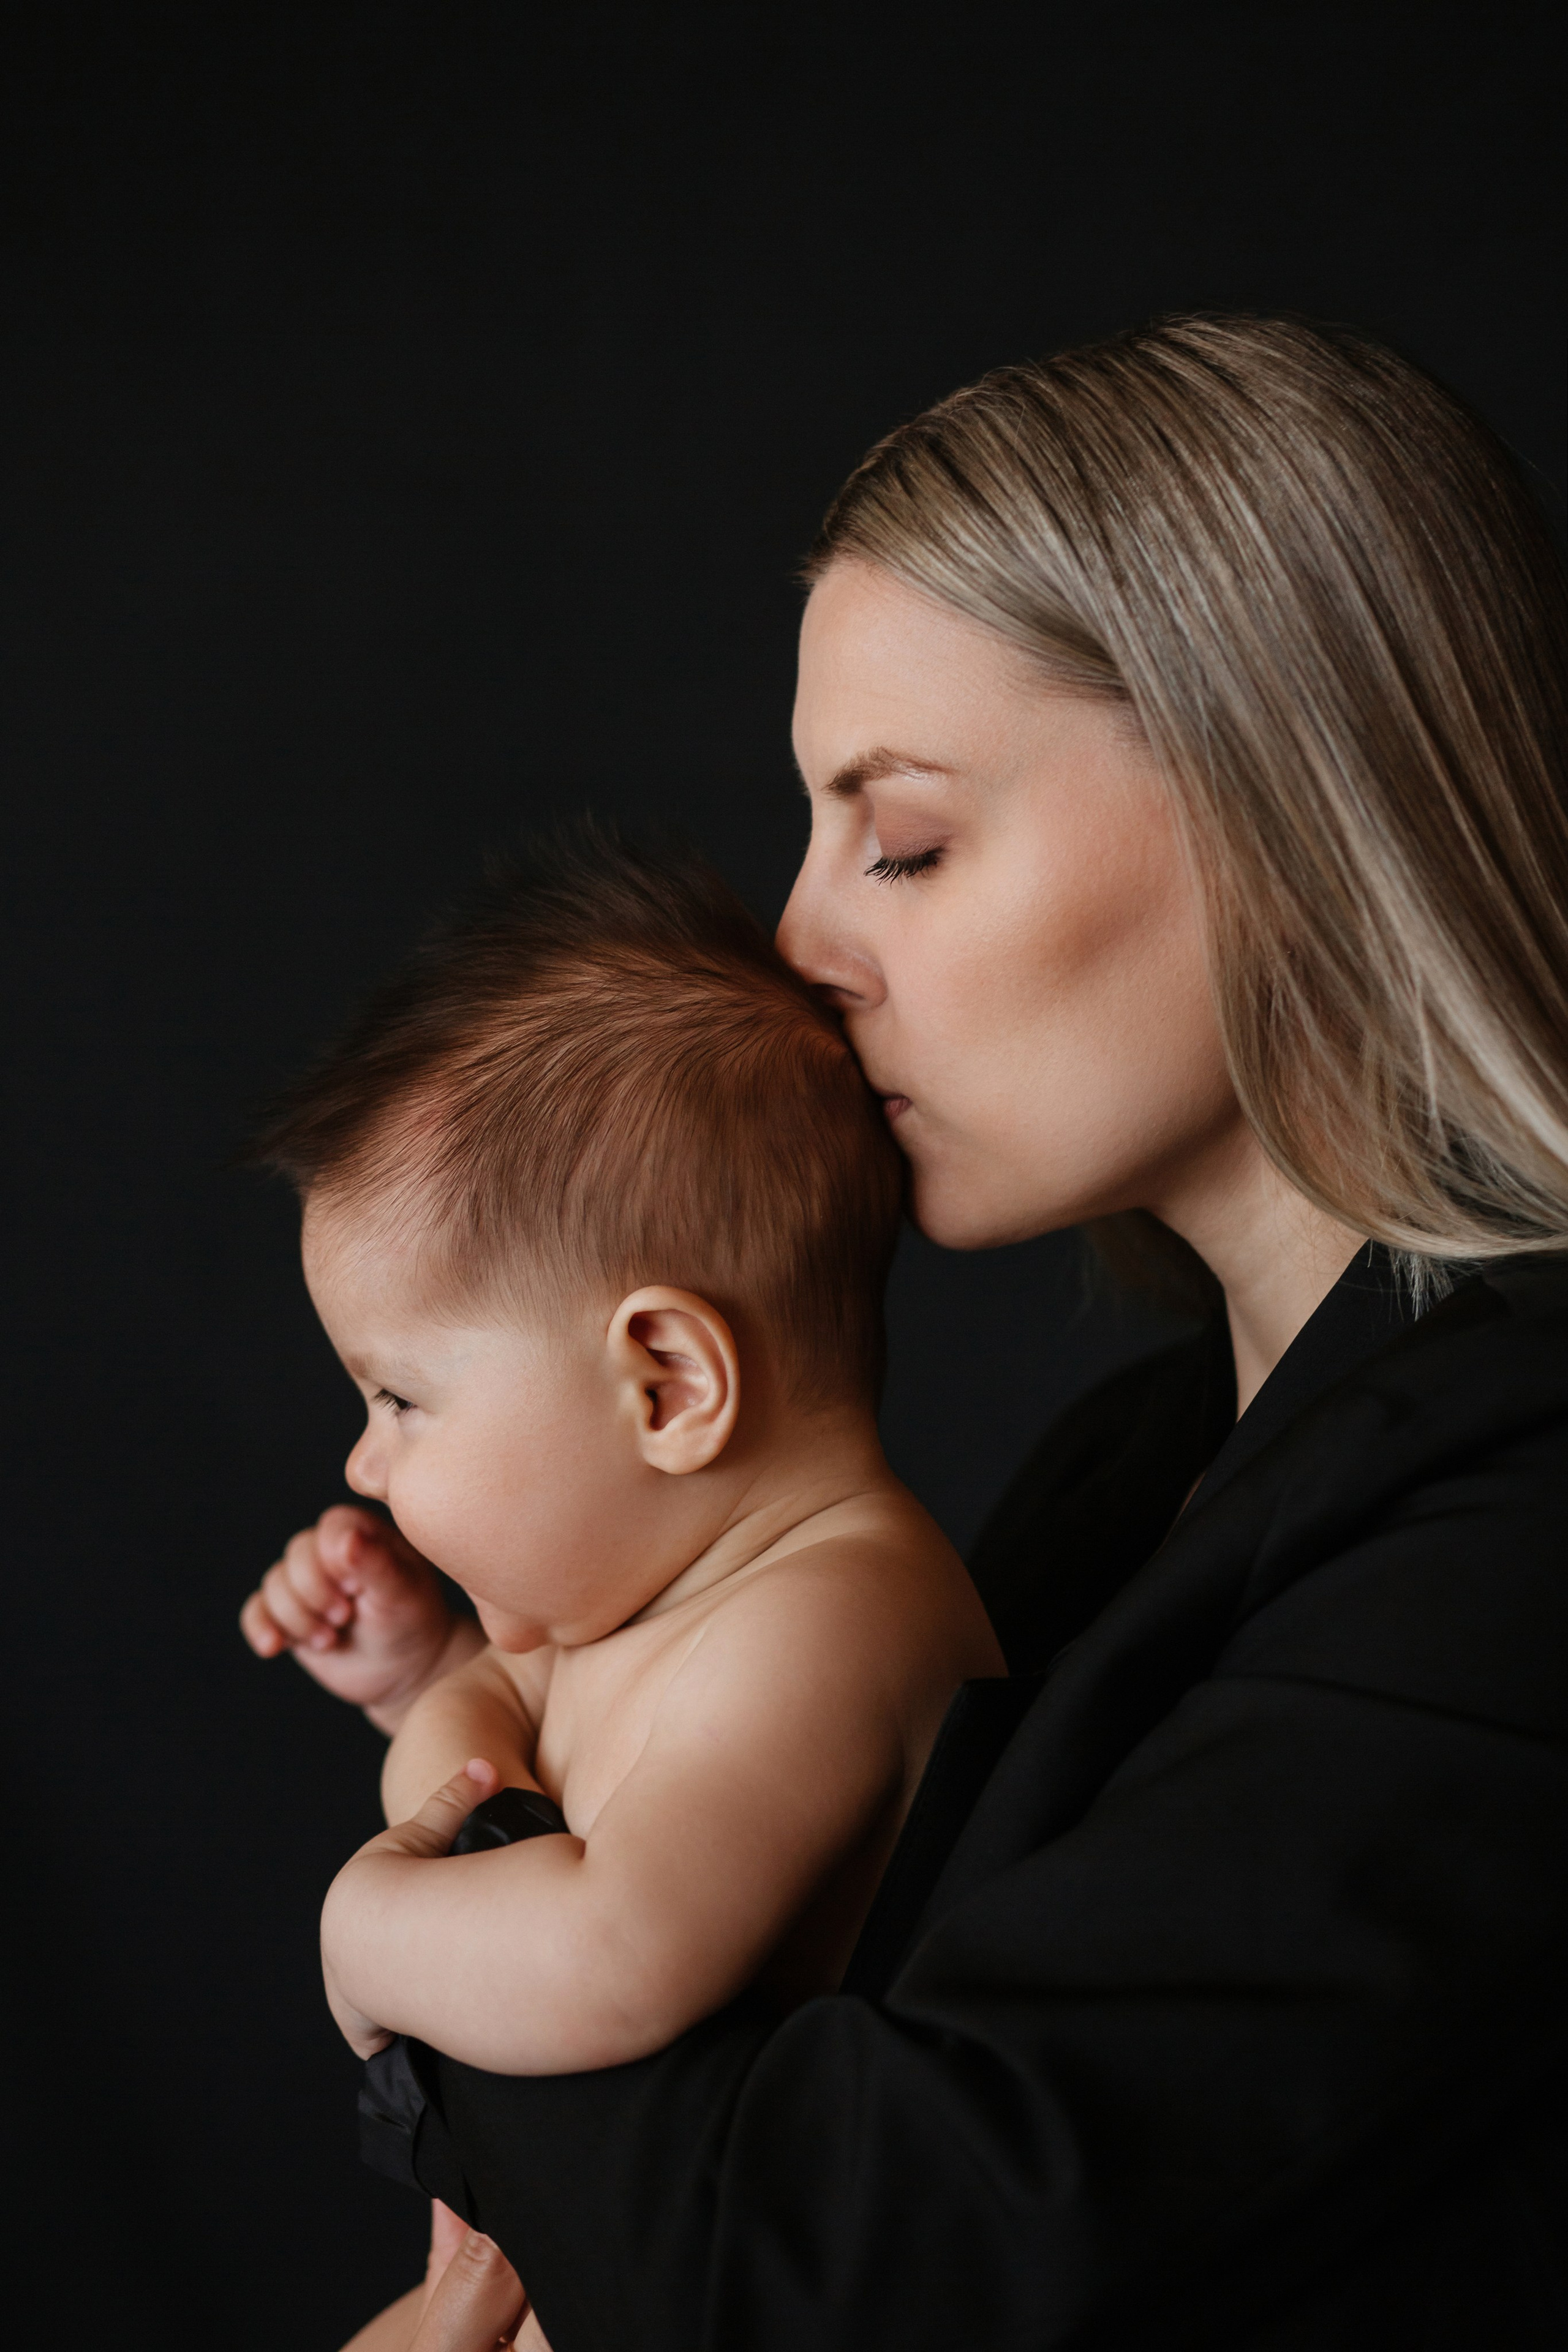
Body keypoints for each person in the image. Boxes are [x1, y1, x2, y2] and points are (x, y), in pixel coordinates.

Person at [307, 314, 1568, 2348]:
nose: (802, 945)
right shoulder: (1133, 1471)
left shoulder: (1523, 1498)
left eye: (904, 840)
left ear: (1283, 807)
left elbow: (844, 2255)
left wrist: (413, 1922)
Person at [239, 835, 1000, 2326]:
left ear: (663, 1383)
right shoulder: (647, 1599)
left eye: (399, 1401)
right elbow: (488, 1779)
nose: (364, 1466)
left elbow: (614, 1951)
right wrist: (424, 1675)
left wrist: (362, 1928)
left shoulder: (833, 1617)